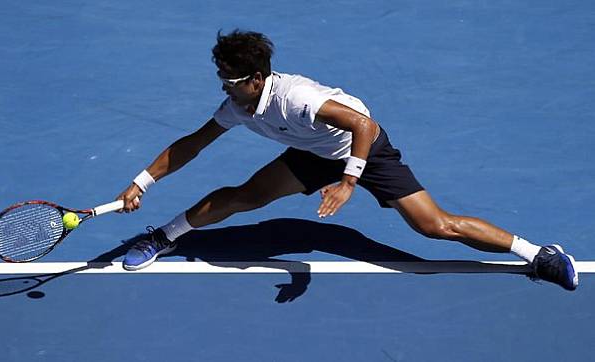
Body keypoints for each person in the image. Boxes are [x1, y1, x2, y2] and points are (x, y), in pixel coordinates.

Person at [116, 29, 578, 291]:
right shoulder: (236, 106)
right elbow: (191, 144)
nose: (224, 87)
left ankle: (540, 255)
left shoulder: (298, 99)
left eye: (230, 79)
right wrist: (142, 181)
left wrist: (350, 180)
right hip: (315, 152)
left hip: (364, 150)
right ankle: (165, 234)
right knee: (246, 197)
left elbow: (363, 125)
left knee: (435, 226)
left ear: (257, 78)